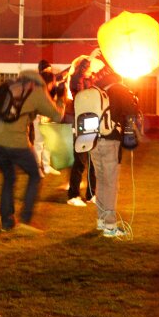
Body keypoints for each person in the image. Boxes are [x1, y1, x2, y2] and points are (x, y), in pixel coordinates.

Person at [0, 69, 64, 233]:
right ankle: (25, 220)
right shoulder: (36, 91)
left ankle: (7, 222)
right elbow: (57, 116)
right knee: (34, 175)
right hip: (15, 142)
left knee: (8, 178)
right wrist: (61, 99)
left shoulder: (10, 84)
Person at [85, 63, 137, 238]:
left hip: (92, 141)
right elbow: (133, 112)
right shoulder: (119, 89)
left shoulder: (95, 89)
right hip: (110, 141)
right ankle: (110, 226)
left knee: (101, 182)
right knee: (111, 184)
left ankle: (101, 221)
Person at [64, 55, 97, 206]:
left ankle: (91, 194)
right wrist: (89, 58)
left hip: (91, 122)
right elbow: (78, 76)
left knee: (93, 162)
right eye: (88, 67)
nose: (92, 70)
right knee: (80, 161)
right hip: (81, 124)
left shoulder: (91, 81)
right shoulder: (77, 80)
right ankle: (73, 195)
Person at [33, 59, 61, 177]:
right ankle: (37, 167)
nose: (49, 71)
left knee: (48, 142)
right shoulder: (37, 85)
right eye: (47, 69)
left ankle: (46, 165)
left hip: (49, 115)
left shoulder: (52, 84)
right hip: (39, 116)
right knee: (39, 142)